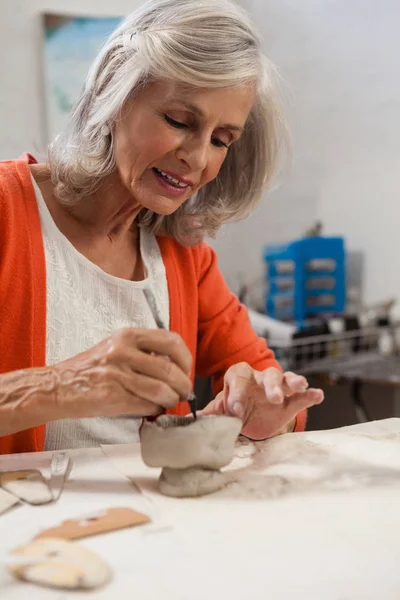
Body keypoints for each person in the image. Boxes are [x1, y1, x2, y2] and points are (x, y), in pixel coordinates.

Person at [0, 0, 323, 455]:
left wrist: (265, 414)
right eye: (178, 120)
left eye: (220, 140)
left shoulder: (183, 254)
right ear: (114, 88)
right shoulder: (7, 213)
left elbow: (265, 380)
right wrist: (57, 387)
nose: (197, 158)